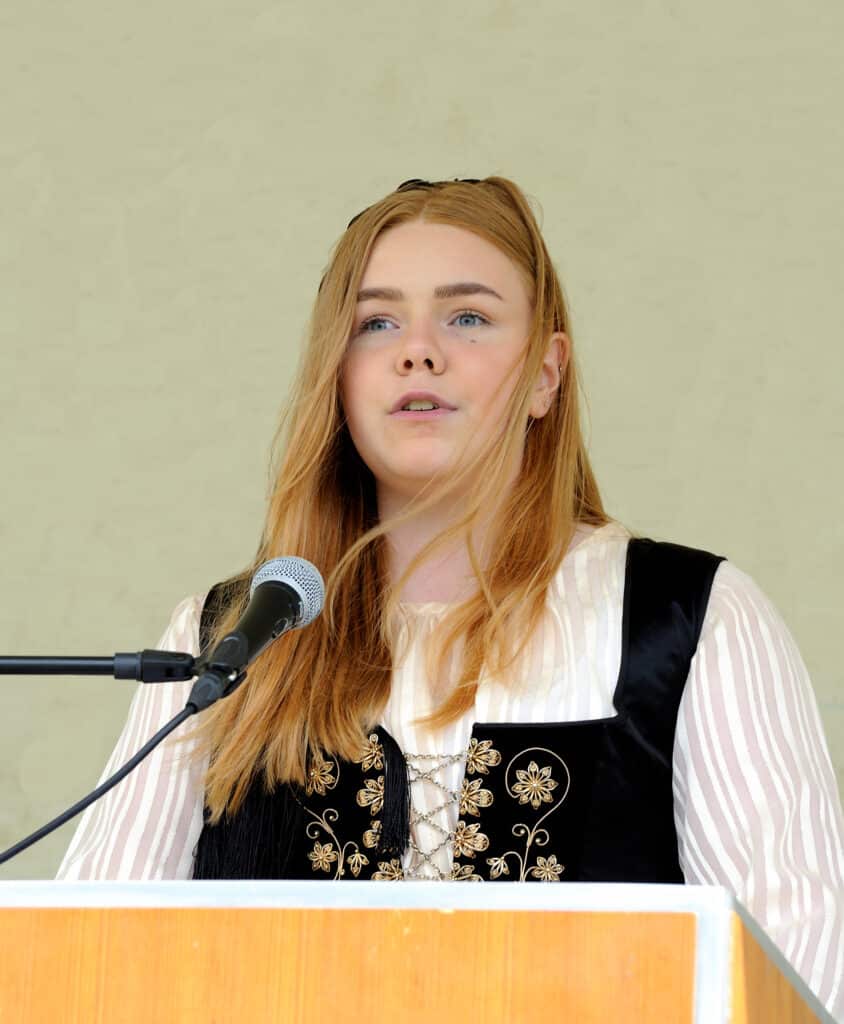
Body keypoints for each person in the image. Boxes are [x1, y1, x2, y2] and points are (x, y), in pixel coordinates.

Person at [56, 177, 844, 1019]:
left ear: (545, 375)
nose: (418, 351)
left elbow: (801, 971)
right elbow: (82, 969)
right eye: (376, 323)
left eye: (467, 317)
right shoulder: (229, 640)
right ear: (337, 377)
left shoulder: (688, 621)